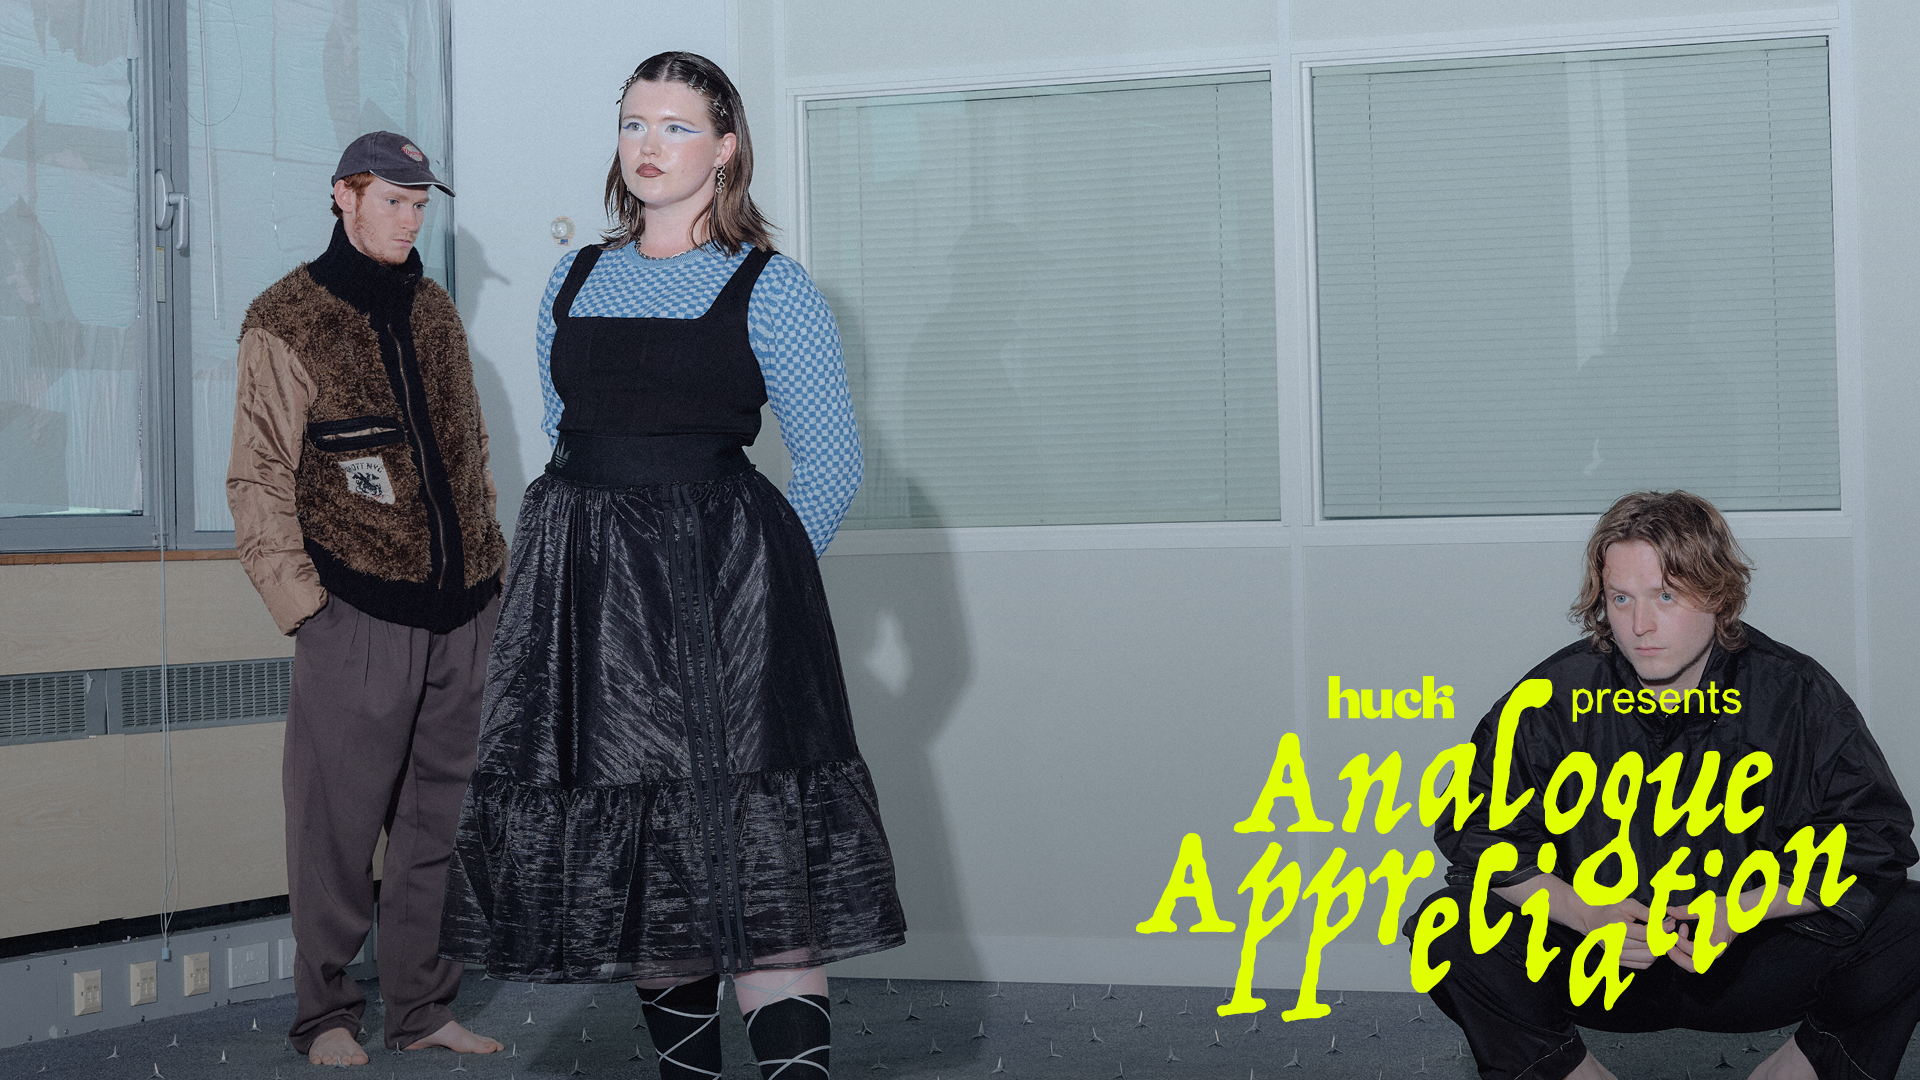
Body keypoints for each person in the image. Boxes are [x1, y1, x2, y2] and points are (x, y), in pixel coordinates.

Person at [439, 51, 906, 1080]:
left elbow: (831, 461)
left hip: (725, 609)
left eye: (677, 126)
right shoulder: (574, 275)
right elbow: (569, 438)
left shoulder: (772, 288)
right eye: (635, 124)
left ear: (726, 146)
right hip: (592, 606)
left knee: (756, 856)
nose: (650, 146)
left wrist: (757, 594)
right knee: (652, 867)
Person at [1411, 490, 1920, 1080]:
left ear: (1718, 595)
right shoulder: (1551, 697)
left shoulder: (1795, 692)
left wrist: (1741, 911)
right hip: (1599, 959)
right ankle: (1572, 1073)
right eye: (1621, 598)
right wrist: (1584, 913)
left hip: (1744, 958)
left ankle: (1802, 1067)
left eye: (1666, 596)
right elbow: (1480, 837)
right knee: (1446, 926)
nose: (1640, 625)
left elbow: (1874, 838)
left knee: (1909, 920)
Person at [227, 131, 506, 1066]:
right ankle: (326, 1016)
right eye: (392, 200)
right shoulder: (284, 318)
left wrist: (492, 583)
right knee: (336, 831)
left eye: (421, 203)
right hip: (355, 617)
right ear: (341, 197)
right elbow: (258, 476)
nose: (410, 218)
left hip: (463, 615)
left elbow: (469, 462)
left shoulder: (435, 312)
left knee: (441, 830)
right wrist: (303, 608)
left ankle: (423, 1010)